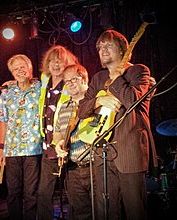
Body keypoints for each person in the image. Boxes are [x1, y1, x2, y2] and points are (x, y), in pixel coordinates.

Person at [77, 29, 158, 220]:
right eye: (100, 47)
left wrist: (116, 76)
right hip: (101, 152)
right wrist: (98, 101)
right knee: (105, 208)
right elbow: (81, 110)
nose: (103, 50)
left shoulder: (138, 71)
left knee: (134, 209)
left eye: (108, 46)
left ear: (122, 50)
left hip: (129, 150)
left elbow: (132, 101)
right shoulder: (97, 78)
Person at [0, 54, 43, 220]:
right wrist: (1, 149)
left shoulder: (40, 87)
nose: (20, 70)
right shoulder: (7, 92)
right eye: (16, 69)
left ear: (30, 68)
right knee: (13, 192)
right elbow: (3, 121)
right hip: (12, 149)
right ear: (12, 73)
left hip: (34, 148)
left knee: (31, 193)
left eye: (23, 66)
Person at [53, 63, 103, 220]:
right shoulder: (63, 107)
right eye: (67, 81)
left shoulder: (98, 101)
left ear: (84, 79)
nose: (70, 84)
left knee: (103, 212)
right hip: (73, 170)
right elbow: (57, 133)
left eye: (73, 79)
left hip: (96, 168)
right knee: (81, 214)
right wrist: (59, 144)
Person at [37, 45, 80, 220]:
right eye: (52, 61)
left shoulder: (70, 83)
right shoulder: (44, 80)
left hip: (67, 143)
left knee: (73, 193)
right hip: (48, 144)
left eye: (60, 62)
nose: (56, 65)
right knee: (44, 192)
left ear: (67, 64)